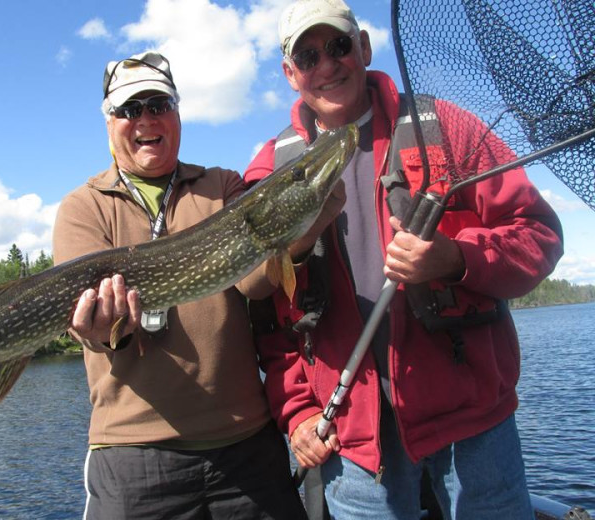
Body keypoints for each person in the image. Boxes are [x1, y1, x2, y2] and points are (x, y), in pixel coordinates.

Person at [245, 1, 564, 519]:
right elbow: (270, 323)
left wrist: (455, 259)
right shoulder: (270, 171)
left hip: (472, 423)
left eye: (338, 46)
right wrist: (298, 411)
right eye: (307, 56)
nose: (326, 65)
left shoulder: (445, 128)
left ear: (364, 49)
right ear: (289, 73)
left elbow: (539, 234)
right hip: (353, 440)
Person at [52, 51, 309, 520]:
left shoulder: (223, 185)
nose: (145, 119)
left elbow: (256, 284)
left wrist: (303, 219)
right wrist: (103, 327)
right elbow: (89, 326)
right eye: (130, 110)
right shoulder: (83, 208)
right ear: (109, 122)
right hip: (133, 456)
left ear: (176, 113)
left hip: (247, 446)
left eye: (157, 104)